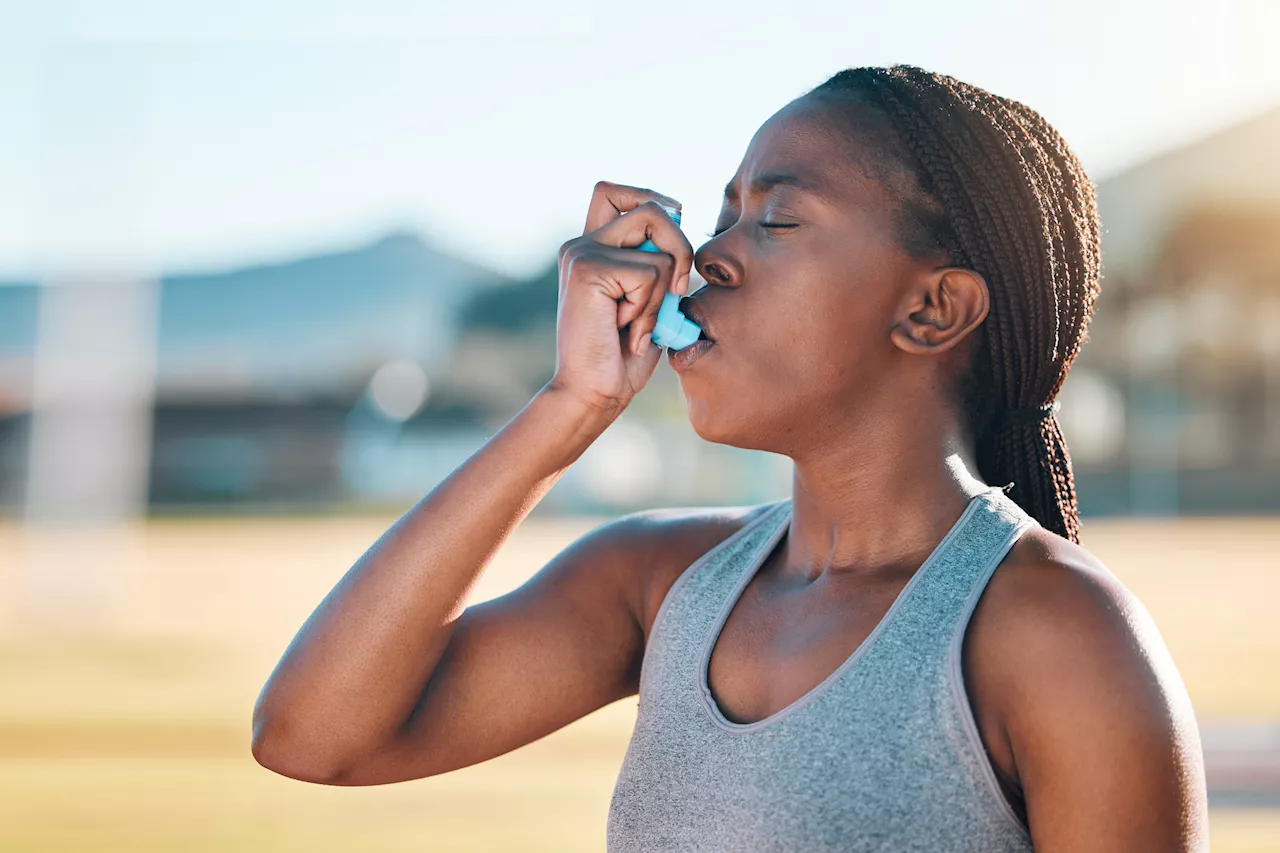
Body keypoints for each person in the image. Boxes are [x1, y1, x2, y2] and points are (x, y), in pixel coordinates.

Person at [251, 64, 1209, 850]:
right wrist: (571, 405)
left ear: (931, 309)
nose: (706, 256)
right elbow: (314, 734)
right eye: (725, 212)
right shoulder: (659, 583)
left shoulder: (1058, 634)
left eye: (778, 220)